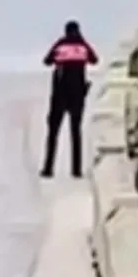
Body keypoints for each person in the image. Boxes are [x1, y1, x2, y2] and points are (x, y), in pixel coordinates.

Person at [40, 21, 99, 179]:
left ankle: (48, 168)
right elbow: (94, 59)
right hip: (78, 95)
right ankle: (76, 170)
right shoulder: (82, 46)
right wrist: (82, 42)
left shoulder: (61, 44)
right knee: (76, 132)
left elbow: (47, 61)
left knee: (53, 132)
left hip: (59, 94)